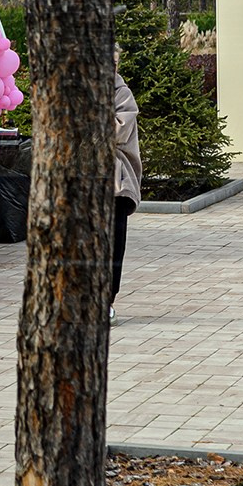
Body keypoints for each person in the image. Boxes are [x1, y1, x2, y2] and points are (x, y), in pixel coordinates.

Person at [112, 70, 141, 318]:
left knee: (112, 245)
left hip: (115, 184)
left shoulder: (122, 94)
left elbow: (118, 131)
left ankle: (106, 301)